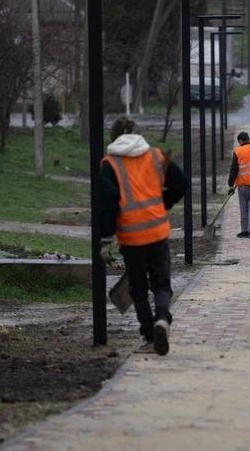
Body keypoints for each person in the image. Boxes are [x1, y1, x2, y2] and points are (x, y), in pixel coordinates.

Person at [99, 117, 188, 356]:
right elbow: (182, 184)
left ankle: (149, 335)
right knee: (161, 283)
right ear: (138, 134)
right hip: (158, 232)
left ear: (113, 137)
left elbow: (106, 204)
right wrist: (163, 203)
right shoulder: (155, 155)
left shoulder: (110, 165)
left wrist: (106, 240)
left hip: (131, 238)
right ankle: (162, 319)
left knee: (138, 289)